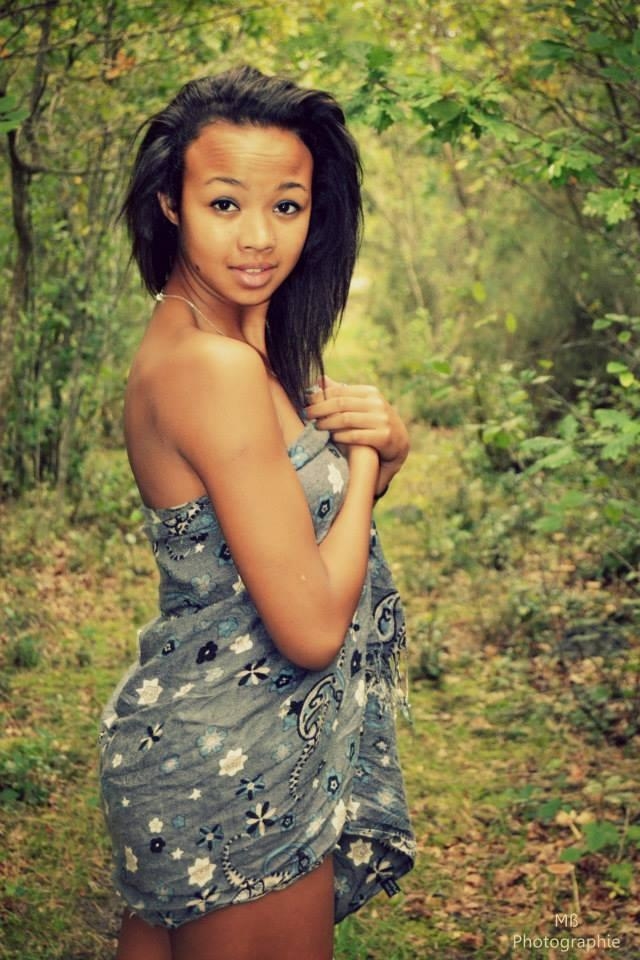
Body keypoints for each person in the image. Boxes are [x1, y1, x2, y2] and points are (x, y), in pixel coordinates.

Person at [99, 65, 415, 960]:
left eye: (287, 206)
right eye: (225, 203)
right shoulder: (216, 366)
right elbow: (312, 627)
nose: (258, 237)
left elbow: (283, 538)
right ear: (171, 203)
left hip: (208, 742)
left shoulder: (230, 343)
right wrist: (365, 460)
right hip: (236, 763)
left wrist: (378, 463)